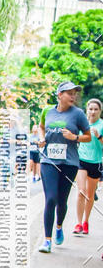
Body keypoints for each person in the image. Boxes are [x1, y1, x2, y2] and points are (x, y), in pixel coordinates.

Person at [37, 81, 90, 253]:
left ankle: (59, 226)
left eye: (75, 93)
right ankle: (47, 240)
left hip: (69, 163)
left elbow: (88, 137)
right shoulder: (48, 111)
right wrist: (41, 138)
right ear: (60, 95)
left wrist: (74, 137)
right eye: (69, 93)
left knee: (61, 201)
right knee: (50, 198)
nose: (73, 96)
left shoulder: (78, 114)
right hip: (48, 160)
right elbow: (41, 126)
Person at [74, 97, 103, 235]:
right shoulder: (82, 124)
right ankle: (78, 224)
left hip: (96, 162)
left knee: (90, 195)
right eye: (90, 109)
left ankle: (86, 221)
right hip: (81, 160)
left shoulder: (102, 124)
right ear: (87, 110)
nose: (93, 112)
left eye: (96, 109)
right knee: (81, 191)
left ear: (100, 111)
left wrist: (99, 137)